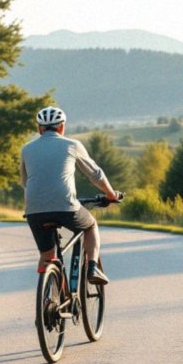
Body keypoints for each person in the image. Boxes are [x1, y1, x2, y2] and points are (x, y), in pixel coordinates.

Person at [20, 106, 120, 285]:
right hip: (66, 206)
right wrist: (111, 194)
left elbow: (25, 182)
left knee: (47, 255)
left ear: (39, 128)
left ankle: (49, 294)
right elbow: (95, 174)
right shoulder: (72, 145)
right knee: (90, 226)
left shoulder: (27, 149)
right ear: (62, 127)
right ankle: (92, 267)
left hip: (34, 211)